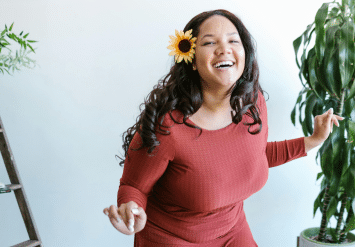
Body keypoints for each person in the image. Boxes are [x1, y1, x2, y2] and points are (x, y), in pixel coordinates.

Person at [103, 9, 344, 247]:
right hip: (172, 238)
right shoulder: (167, 126)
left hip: (232, 230)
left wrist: (313, 140)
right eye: (209, 42)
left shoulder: (253, 103)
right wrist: (131, 212)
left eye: (232, 40)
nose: (224, 49)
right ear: (192, 59)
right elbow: (133, 186)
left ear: (244, 54)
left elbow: (252, 157)